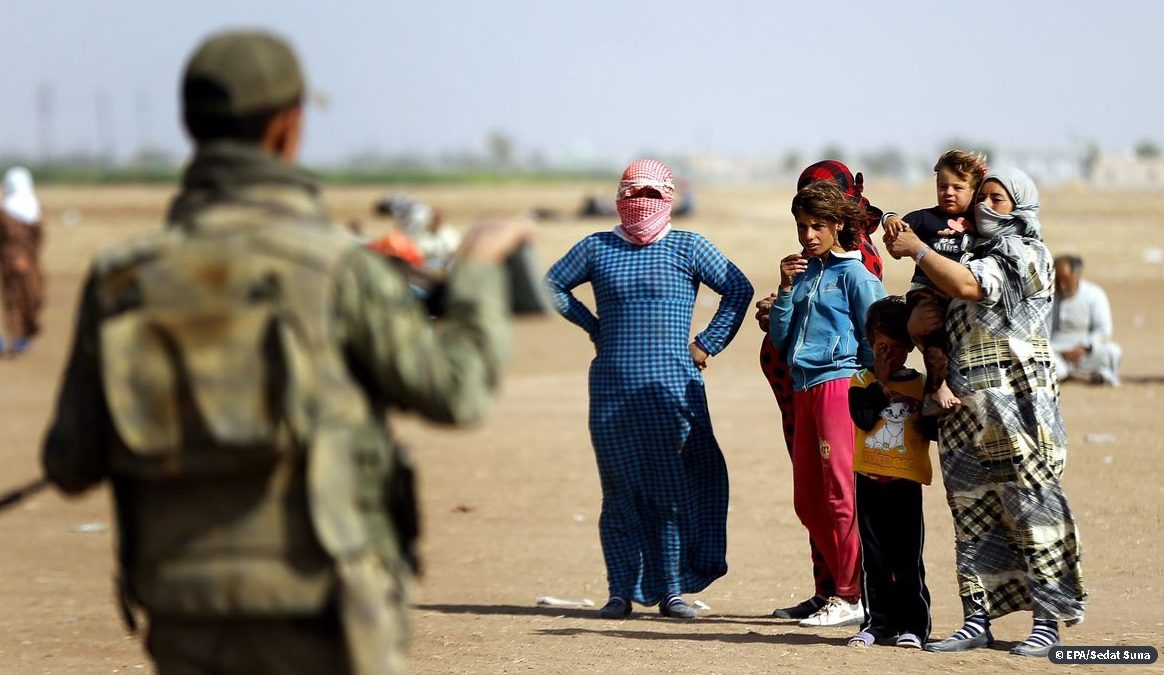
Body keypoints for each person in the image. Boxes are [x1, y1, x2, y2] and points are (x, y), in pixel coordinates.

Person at [41, 30, 531, 675]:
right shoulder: (333, 270)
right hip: (323, 609)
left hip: (183, 607)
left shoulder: (120, 278)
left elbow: (70, 463)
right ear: (287, 127)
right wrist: (475, 272)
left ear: (190, 125)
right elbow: (455, 391)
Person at [882, 167, 1086, 658]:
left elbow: (971, 287)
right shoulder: (962, 250)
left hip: (1020, 408)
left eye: (998, 199)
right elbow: (935, 308)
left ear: (1022, 207)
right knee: (971, 514)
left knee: (1032, 510)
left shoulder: (1027, 253)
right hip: (964, 410)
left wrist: (919, 250)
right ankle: (977, 619)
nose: (986, 207)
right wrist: (914, 318)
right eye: (984, 198)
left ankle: (1047, 621)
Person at [544, 158, 752, 620]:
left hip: (673, 388)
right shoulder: (597, 248)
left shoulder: (689, 246)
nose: (640, 203)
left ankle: (672, 590)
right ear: (618, 198)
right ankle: (619, 590)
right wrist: (594, 327)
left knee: (671, 488)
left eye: (652, 195)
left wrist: (707, 344)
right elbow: (552, 285)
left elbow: (738, 289)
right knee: (618, 490)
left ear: (669, 198)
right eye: (632, 194)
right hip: (613, 389)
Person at [755, 160, 885, 621]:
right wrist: (787, 291)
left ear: (839, 224)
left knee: (840, 495)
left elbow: (876, 335)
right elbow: (784, 339)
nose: (808, 235)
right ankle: (842, 588)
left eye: (817, 226)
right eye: (802, 226)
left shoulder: (856, 272)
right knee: (808, 501)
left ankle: (850, 595)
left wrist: (870, 391)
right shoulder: (807, 273)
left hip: (837, 386)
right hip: (805, 387)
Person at [845, 295, 933, 650]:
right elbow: (864, 419)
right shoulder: (859, 382)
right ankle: (877, 623)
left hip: (906, 485)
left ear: (910, 347)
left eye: (896, 348)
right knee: (875, 560)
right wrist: (881, 384)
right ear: (869, 343)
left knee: (908, 559)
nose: (888, 355)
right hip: (869, 482)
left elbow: (931, 429)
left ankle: (914, 625)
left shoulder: (921, 384)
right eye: (881, 347)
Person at [883, 151, 987, 412]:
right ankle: (936, 386)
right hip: (927, 291)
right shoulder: (926, 218)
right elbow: (896, 236)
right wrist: (892, 222)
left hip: (960, 294)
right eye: (942, 186)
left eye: (958, 187)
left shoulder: (981, 222)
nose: (948, 192)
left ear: (974, 190)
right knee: (929, 331)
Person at [1052, 254, 1121, 385]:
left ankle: (1070, 375)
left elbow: (1103, 330)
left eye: (1066, 280)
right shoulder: (1045, 296)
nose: (1061, 285)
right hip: (1055, 350)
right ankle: (1077, 376)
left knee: (1112, 351)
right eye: (1058, 280)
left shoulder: (1094, 294)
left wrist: (1085, 347)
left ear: (1076, 276)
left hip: (1084, 351)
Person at [0, 166, 46, 355]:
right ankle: (20, 336)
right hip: (22, 261)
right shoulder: (30, 207)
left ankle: (22, 335)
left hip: (18, 261)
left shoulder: (9, 210)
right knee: (22, 297)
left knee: (21, 298)